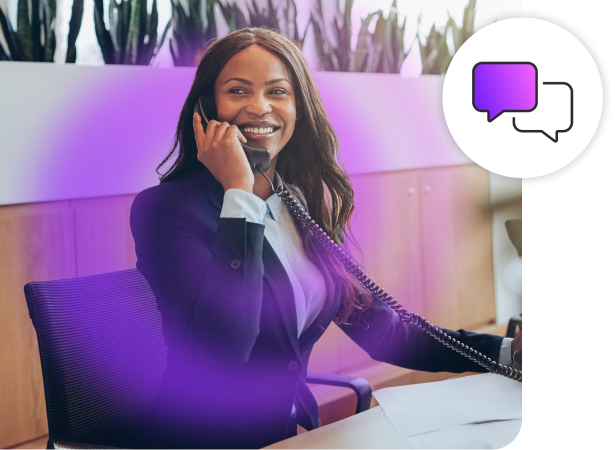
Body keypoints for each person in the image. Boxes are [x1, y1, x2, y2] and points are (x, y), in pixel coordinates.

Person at [129, 27, 521, 450]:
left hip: (287, 435)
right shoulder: (165, 210)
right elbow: (224, 349)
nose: (259, 107)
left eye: (277, 92)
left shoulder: (296, 201)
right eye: (238, 91)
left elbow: (383, 331)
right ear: (207, 109)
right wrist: (238, 196)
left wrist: (507, 353)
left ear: (298, 109)